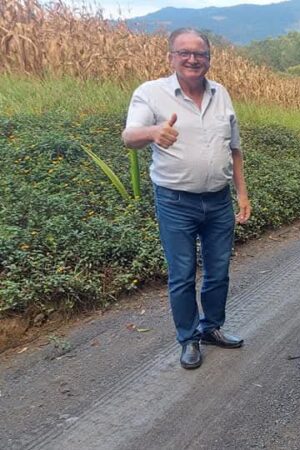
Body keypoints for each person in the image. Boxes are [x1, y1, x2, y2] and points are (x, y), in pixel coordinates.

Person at [122, 28, 251, 370]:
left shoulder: (221, 93)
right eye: (185, 52)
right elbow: (129, 136)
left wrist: (242, 194)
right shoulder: (150, 93)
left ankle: (212, 328)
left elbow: (234, 149)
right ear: (171, 57)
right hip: (176, 202)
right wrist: (153, 132)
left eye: (201, 53)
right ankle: (188, 338)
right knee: (182, 274)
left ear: (209, 58)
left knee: (218, 271)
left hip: (219, 201)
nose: (193, 59)